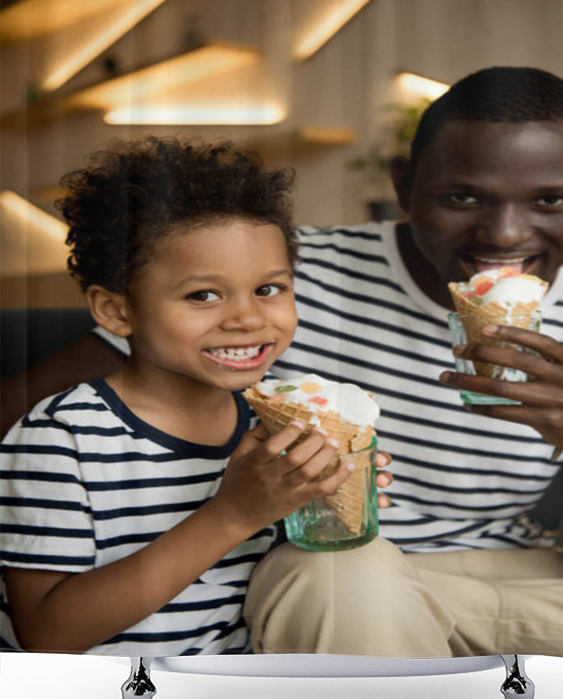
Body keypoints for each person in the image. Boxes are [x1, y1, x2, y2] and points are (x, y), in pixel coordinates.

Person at [1, 67, 563, 660]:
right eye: (463, 198)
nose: (504, 235)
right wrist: (268, 505)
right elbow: (82, 402)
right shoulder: (263, 278)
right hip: (346, 579)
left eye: (552, 201)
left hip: (517, 575)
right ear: (405, 187)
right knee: (346, 575)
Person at [0, 139, 376, 655]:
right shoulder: (59, 438)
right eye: (203, 295)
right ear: (116, 311)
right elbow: (47, 635)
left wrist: (321, 500)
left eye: (269, 289)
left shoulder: (267, 430)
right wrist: (233, 514)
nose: (247, 318)